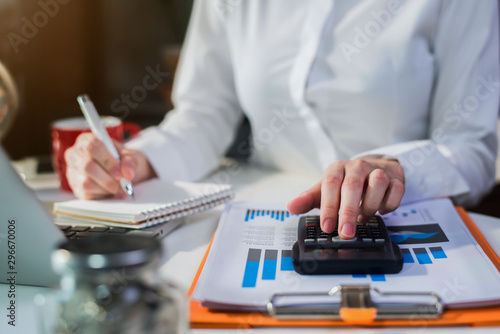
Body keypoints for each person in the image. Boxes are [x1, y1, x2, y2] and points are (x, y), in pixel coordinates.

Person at [65, 0, 499, 239]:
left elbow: (472, 146)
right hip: (264, 223)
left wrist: (398, 169)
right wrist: (134, 162)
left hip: (406, 224)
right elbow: (203, 113)